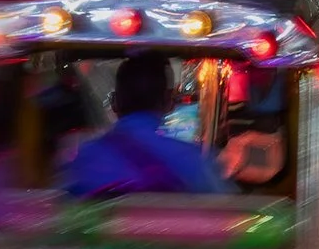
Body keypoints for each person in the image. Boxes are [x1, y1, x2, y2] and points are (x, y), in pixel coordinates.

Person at [61, 52, 230, 197]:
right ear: (168, 102)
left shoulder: (83, 157)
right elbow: (225, 216)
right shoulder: (195, 160)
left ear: (114, 103)